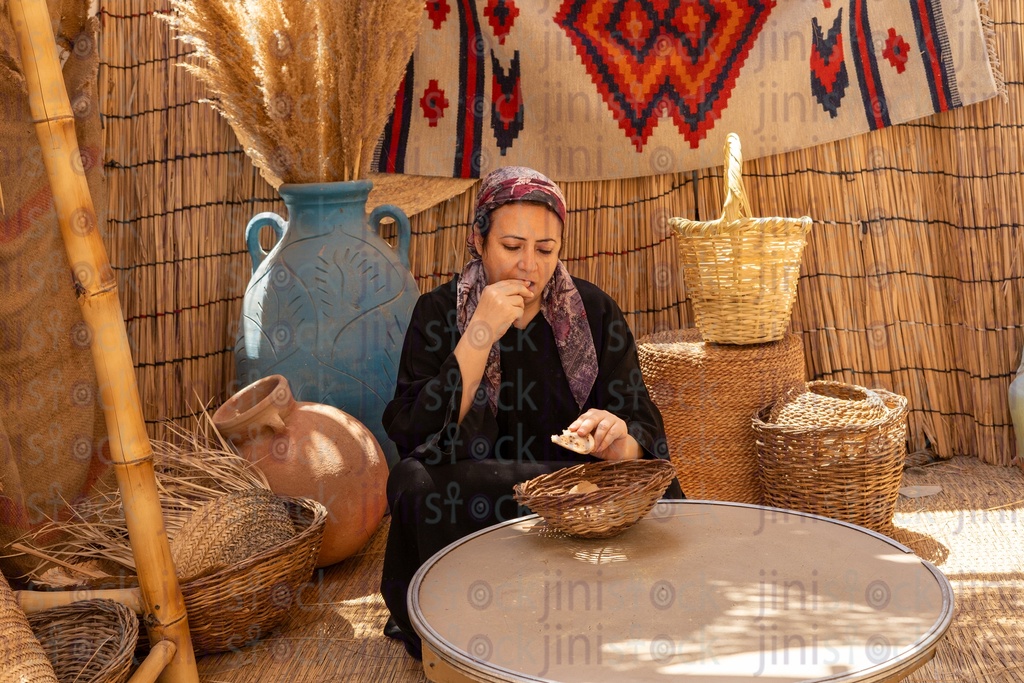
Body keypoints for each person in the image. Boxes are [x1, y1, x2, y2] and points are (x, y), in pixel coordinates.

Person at [379, 166, 682, 660]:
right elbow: (413, 432)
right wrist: (479, 333)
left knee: (657, 482)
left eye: (545, 250)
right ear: (477, 240)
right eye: (512, 246)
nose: (529, 267)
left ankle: (625, 608)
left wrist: (617, 439)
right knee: (415, 485)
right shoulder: (438, 312)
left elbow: (642, 426)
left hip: (576, 491)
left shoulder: (593, 311)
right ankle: (456, 628)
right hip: (484, 495)